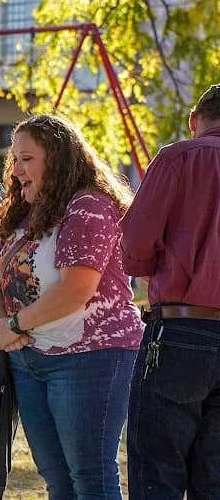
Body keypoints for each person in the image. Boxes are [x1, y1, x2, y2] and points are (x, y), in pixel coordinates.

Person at [0, 114, 143, 499]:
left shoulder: (89, 205)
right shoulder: (24, 209)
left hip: (91, 357)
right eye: (14, 160)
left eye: (27, 159)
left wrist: (15, 325)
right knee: (56, 477)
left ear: (56, 158)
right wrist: (3, 325)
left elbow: (76, 289)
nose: (17, 170)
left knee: (90, 475)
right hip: (29, 357)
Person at [120, 84, 220, 499]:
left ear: (195, 120)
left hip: (181, 331)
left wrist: (151, 268)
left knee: (156, 475)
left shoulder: (180, 156)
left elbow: (135, 243)